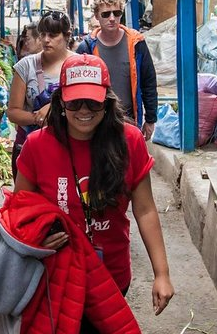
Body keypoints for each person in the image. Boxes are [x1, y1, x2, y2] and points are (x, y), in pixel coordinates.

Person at [15, 54, 174, 332]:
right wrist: (36, 241)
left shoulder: (130, 140)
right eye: (75, 102)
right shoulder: (36, 146)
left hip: (111, 276)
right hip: (54, 275)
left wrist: (162, 274)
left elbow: (145, 209)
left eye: (93, 101)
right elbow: (18, 212)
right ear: (61, 102)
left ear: (107, 101)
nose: (84, 110)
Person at [77, 0, 158, 141]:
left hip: (130, 120)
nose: (112, 18)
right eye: (106, 14)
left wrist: (151, 119)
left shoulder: (136, 43)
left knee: (129, 162)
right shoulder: (86, 47)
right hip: (97, 122)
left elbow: (149, 82)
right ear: (96, 16)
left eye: (117, 13)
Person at [7, 12, 75, 179]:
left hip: (70, 148)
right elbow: (13, 112)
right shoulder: (26, 66)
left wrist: (55, 108)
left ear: (66, 36)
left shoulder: (80, 64)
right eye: (43, 34)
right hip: (29, 147)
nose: (46, 40)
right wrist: (38, 117)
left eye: (53, 35)